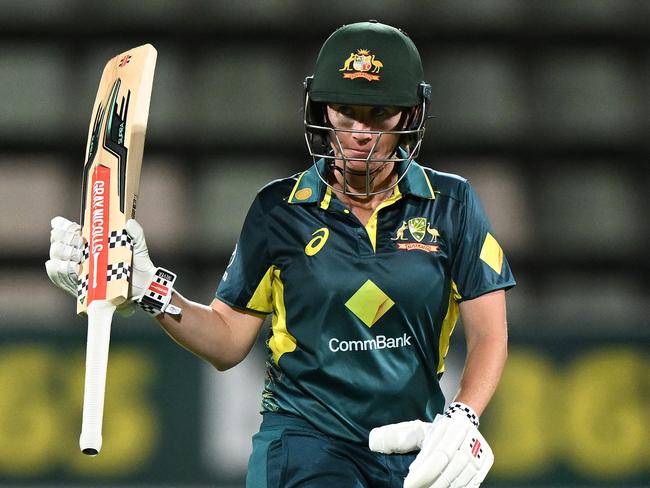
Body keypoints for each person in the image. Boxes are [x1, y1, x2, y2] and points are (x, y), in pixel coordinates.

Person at [47, 20, 515, 488]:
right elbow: (229, 340)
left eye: (379, 114)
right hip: (305, 443)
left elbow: (489, 334)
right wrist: (149, 287)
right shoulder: (278, 211)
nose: (359, 132)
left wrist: (463, 415)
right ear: (322, 109)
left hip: (415, 443)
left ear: (410, 116)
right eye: (345, 111)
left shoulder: (451, 204)